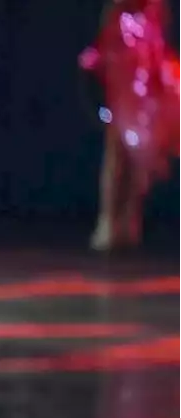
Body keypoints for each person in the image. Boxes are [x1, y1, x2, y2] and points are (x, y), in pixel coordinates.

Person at [80, 0, 180, 251]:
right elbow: (106, 40)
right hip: (123, 80)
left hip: (146, 84)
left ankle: (129, 222)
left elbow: (161, 41)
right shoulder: (118, 10)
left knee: (139, 157)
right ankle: (108, 222)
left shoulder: (156, 9)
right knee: (117, 151)